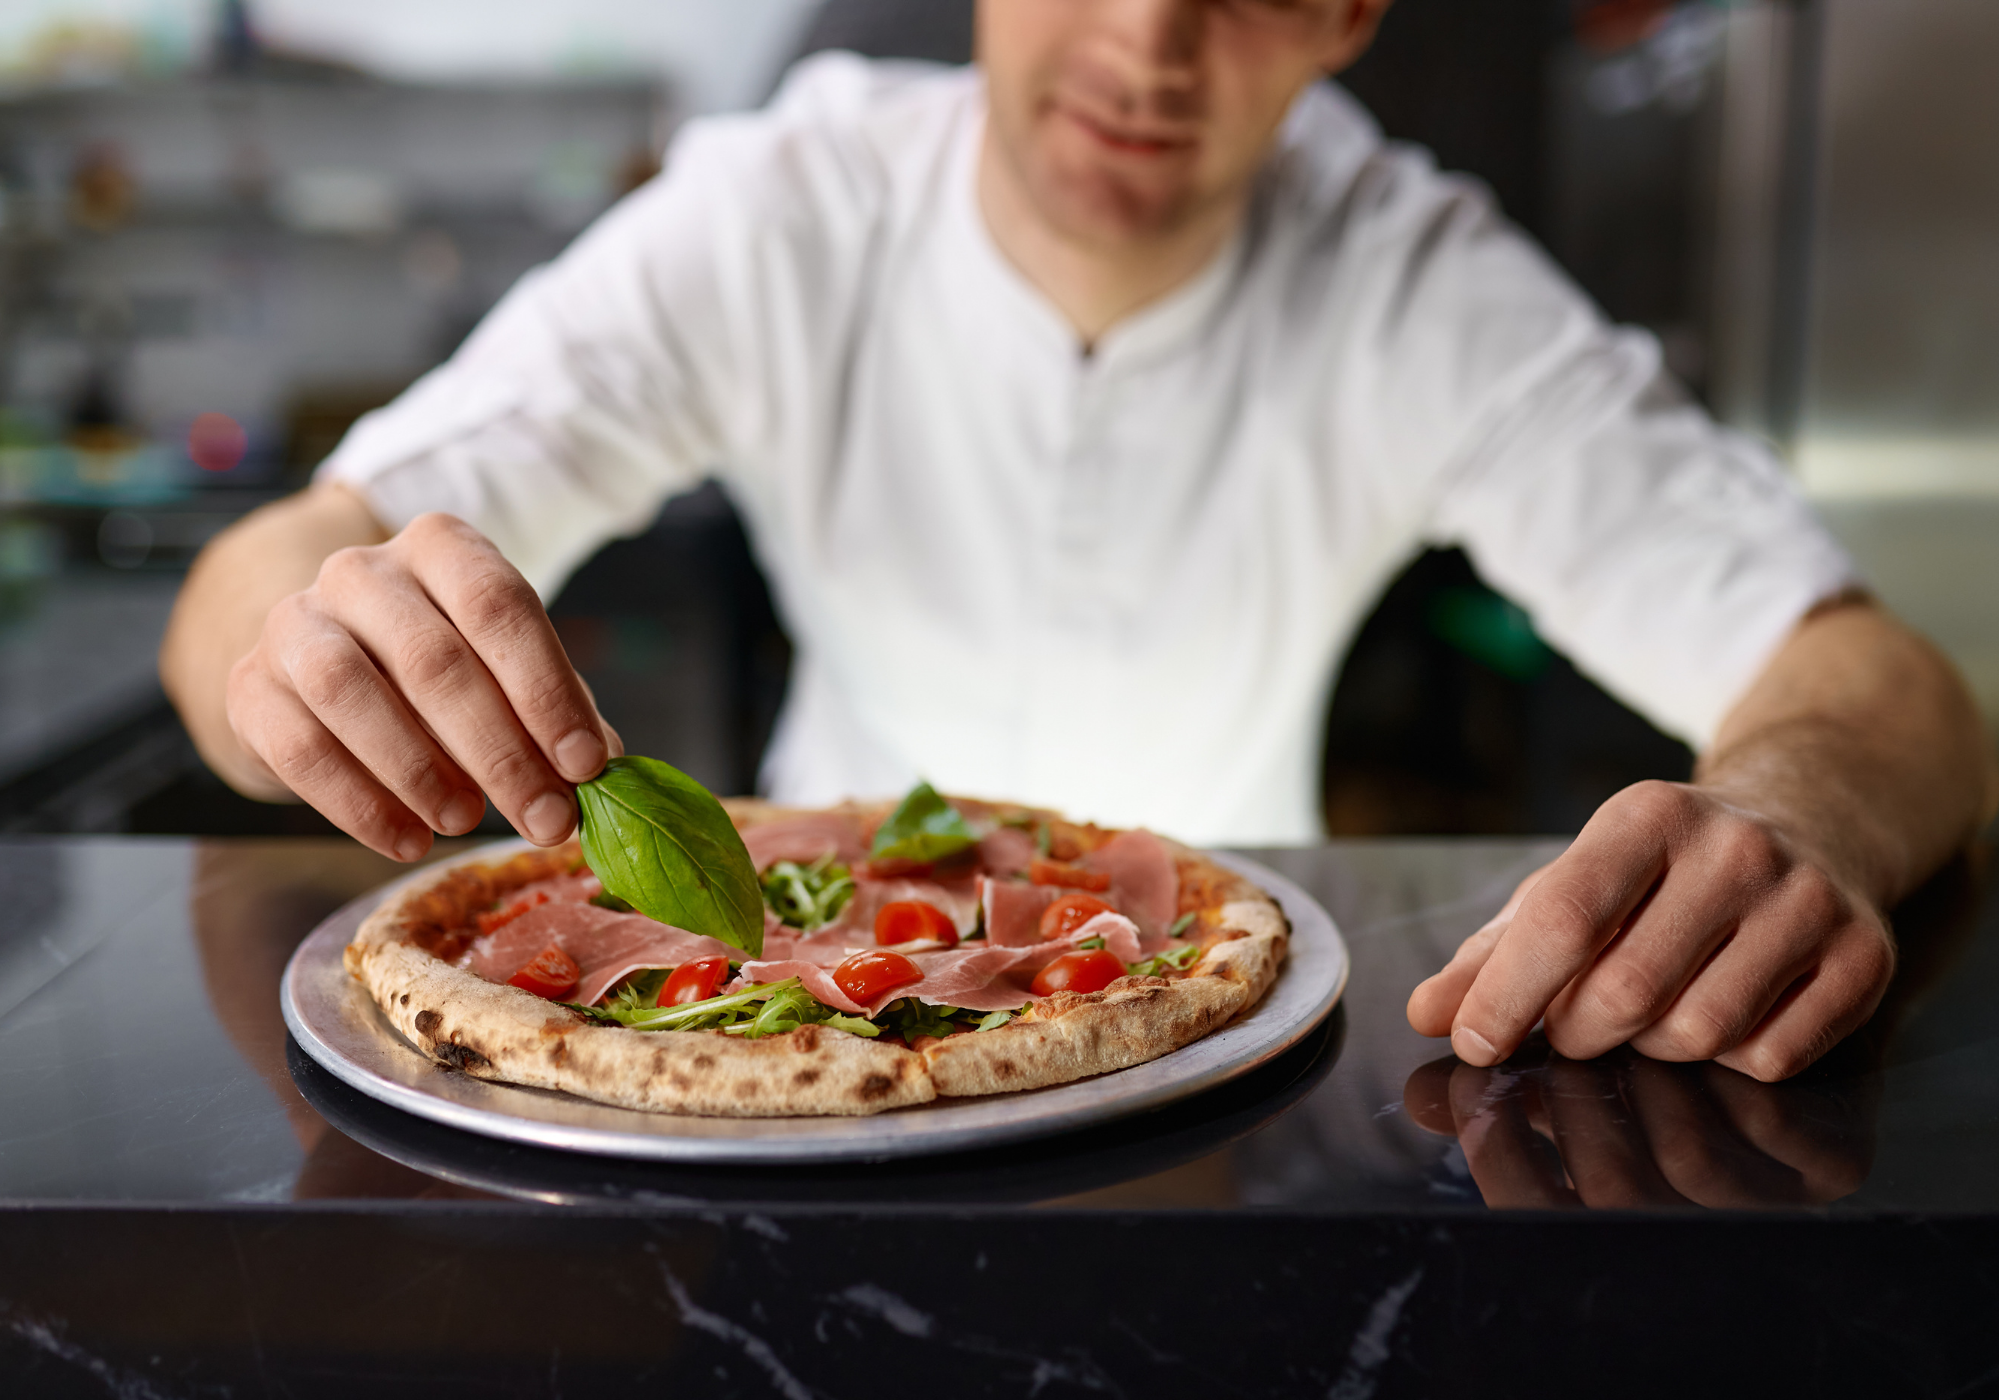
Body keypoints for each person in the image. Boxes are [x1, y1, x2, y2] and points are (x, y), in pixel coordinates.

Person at [160, 0, 1994, 1082]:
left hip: (1225, 1066)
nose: (1146, 45)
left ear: (1350, 14)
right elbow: (277, 570)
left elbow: (1878, 686)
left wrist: (1797, 815)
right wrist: (301, 638)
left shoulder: (1414, 276)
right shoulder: (784, 202)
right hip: (767, 998)